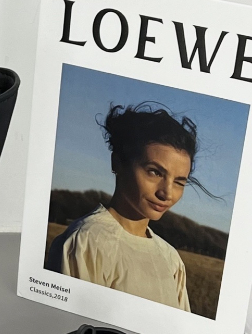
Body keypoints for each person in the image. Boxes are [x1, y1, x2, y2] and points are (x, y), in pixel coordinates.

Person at [47, 103, 214, 312]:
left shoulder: (171, 260)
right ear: (117, 163)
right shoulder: (87, 242)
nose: (167, 193)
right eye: (155, 172)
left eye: (179, 182)